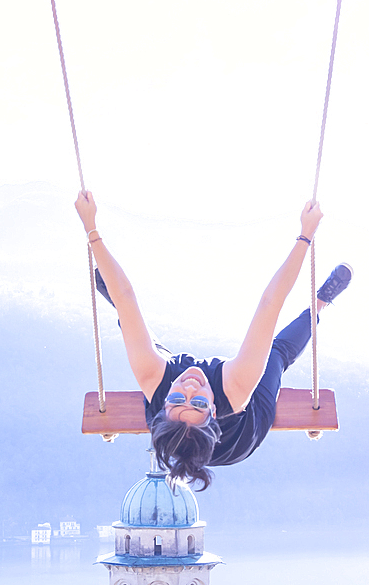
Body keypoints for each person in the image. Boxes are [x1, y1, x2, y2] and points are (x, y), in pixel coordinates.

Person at [74, 191, 351, 490]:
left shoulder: (158, 387)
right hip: (242, 433)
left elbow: (127, 297)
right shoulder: (236, 388)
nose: (190, 387)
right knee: (276, 353)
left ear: (165, 405)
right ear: (214, 409)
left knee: (143, 338)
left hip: (181, 422)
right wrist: (305, 235)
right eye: (199, 402)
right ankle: (322, 302)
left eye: (178, 399)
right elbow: (271, 303)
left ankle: (123, 315)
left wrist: (91, 228)